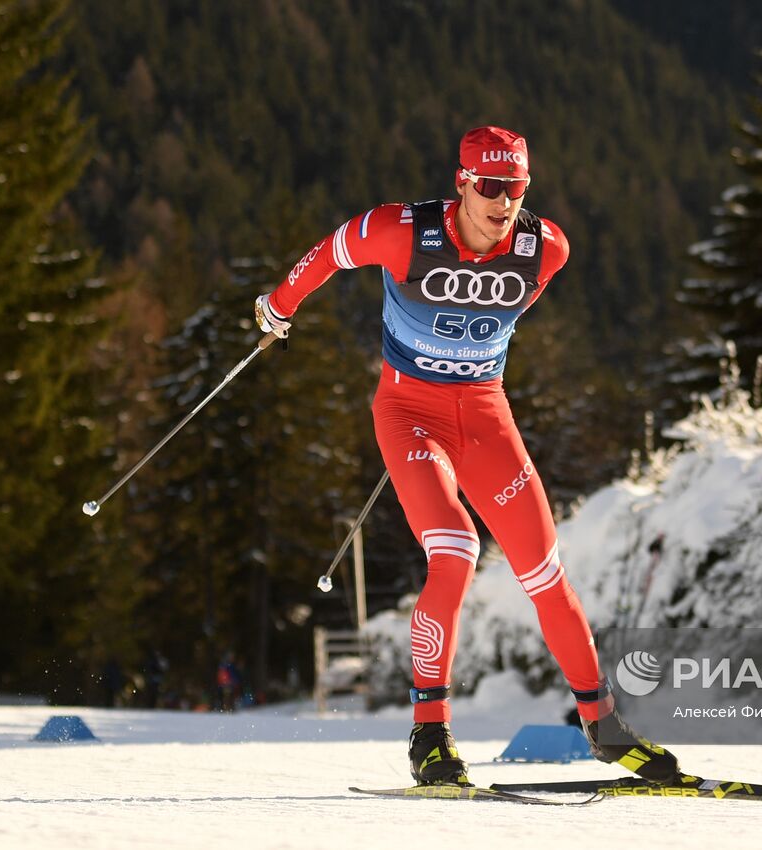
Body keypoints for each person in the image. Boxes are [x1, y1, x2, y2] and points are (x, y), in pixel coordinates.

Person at [255, 126, 680, 786]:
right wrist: (278, 307)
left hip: (484, 417)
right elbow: (331, 252)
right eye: (489, 186)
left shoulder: (547, 249)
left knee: (543, 569)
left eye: (515, 188)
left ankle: (603, 726)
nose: (502, 201)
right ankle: (430, 734)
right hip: (409, 414)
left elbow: (504, 310)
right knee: (455, 549)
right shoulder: (401, 232)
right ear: (462, 182)